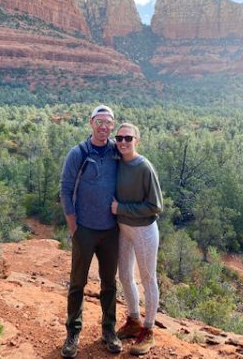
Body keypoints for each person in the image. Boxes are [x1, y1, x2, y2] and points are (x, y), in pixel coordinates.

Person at [59, 104, 123, 358]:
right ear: (91, 123)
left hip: (110, 231)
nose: (104, 127)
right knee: (78, 283)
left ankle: (109, 331)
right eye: (100, 122)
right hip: (84, 229)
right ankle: (73, 333)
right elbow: (65, 189)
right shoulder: (79, 153)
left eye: (109, 123)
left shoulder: (116, 152)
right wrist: (73, 226)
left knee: (109, 284)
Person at [111, 123, 163, 356]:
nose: (123, 142)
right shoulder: (117, 162)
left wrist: (121, 208)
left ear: (137, 140)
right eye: (119, 138)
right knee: (124, 275)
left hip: (143, 230)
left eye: (128, 138)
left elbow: (155, 206)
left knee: (148, 278)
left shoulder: (144, 167)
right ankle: (134, 320)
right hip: (124, 229)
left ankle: (149, 330)